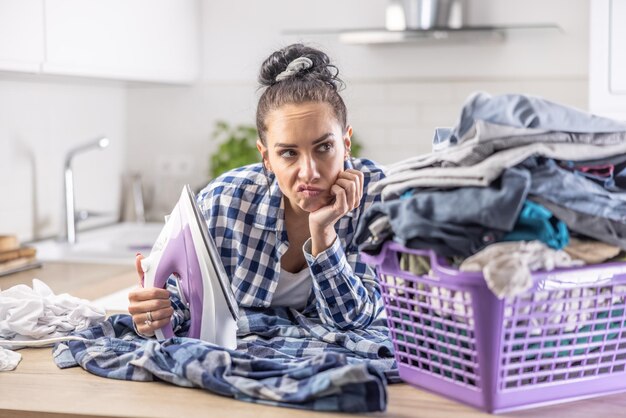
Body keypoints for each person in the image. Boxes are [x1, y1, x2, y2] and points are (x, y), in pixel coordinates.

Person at [128, 43, 386, 337]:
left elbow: (356, 322)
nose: (309, 172)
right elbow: (178, 306)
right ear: (266, 157)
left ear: (346, 142)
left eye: (324, 147)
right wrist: (153, 312)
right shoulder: (224, 203)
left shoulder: (376, 194)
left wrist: (324, 234)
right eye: (288, 153)